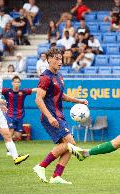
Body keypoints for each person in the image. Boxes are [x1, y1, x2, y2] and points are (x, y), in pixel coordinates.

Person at [33, 48, 88, 184]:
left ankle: (56, 176)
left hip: (59, 116)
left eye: (61, 58)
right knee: (71, 144)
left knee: (69, 147)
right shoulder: (45, 77)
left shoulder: (59, 76)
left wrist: (78, 100)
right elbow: (38, 99)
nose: (60, 61)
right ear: (49, 60)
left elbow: (60, 95)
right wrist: (50, 117)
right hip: (50, 117)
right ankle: (41, 166)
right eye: (57, 59)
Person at [2, 75, 37, 143]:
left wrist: (45, 88)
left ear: (20, 83)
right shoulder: (7, 91)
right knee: (11, 130)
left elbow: (34, 90)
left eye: (18, 82)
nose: (16, 84)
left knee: (18, 136)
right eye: (15, 82)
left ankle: (10, 145)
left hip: (20, 116)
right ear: (12, 83)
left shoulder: (23, 92)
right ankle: (8, 150)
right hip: (10, 116)